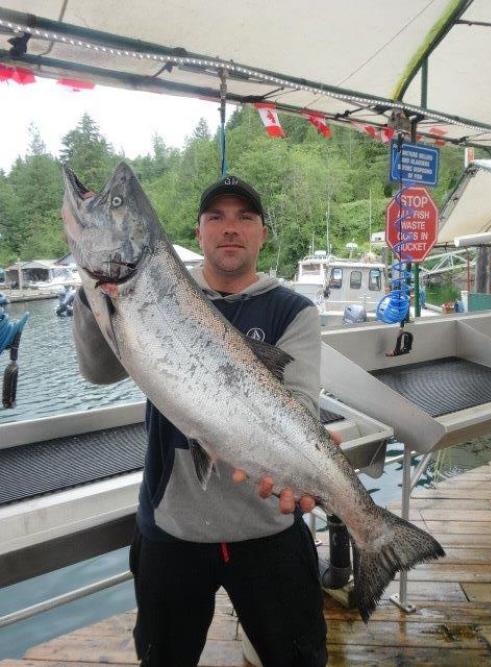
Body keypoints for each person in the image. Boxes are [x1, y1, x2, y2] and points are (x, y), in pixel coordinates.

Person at [72, 174, 333, 667]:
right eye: (216, 217)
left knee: (298, 657)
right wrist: (94, 293)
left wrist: (310, 458)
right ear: (197, 232)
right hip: (173, 526)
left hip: (269, 525)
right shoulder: (156, 293)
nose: (230, 228)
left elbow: (299, 399)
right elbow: (98, 371)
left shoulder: (294, 310)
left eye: (245, 217)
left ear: (262, 233)